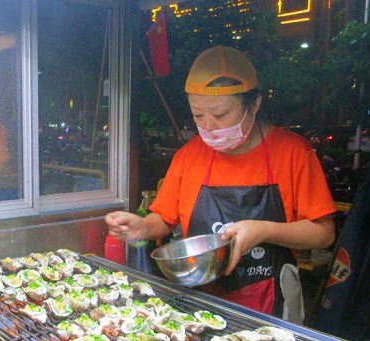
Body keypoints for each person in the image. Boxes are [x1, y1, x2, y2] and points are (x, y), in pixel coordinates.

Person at [105, 46, 336, 322]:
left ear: (255, 104)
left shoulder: (293, 152)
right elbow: (165, 219)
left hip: (271, 304)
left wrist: (262, 230)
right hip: (200, 299)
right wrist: (142, 226)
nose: (209, 126)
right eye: (198, 115)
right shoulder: (188, 156)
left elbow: (323, 233)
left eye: (220, 114)